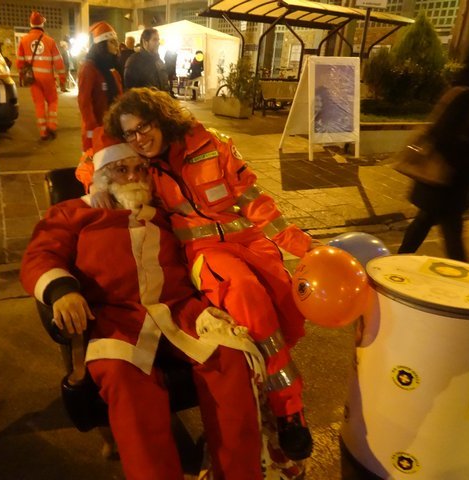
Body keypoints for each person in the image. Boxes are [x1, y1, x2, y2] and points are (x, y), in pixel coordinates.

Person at [21, 129, 264, 479]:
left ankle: (237, 472)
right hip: (116, 320)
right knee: (126, 381)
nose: (134, 177)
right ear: (102, 177)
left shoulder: (163, 212)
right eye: (122, 169)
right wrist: (62, 291)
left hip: (179, 311)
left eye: (140, 169)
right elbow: (39, 256)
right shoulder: (73, 213)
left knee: (230, 357)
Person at [101, 88, 315, 461]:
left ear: (160, 118)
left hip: (250, 242)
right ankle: (288, 410)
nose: (139, 138)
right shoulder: (139, 164)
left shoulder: (211, 144)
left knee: (287, 304)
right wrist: (97, 186)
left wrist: (305, 247)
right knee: (248, 296)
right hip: (206, 254)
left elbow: (254, 200)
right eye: (129, 133)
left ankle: (263, 386)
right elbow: (92, 160)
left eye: (143, 126)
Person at [398, 37, 469, 262]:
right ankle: (462, 282)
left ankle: (395, 263)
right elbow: (448, 138)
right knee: (452, 237)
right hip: (449, 181)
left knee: (425, 221)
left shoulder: (467, 89)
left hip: (445, 181)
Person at [16, 11, 67, 141]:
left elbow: (19, 62)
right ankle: (52, 126)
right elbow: (58, 62)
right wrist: (62, 79)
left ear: (30, 24)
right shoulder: (50, 41)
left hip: (33, 78)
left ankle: (43, 132)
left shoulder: (23, 40)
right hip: (48, 78)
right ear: (42, 24)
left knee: (39, 104)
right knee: (53, 101)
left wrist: (22, 76)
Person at [77, 22, 123, 152]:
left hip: (112, 128)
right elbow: (84, 102)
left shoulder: (112, 69)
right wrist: (93, 129)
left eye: (116, 42)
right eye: (112, 42)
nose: (116, 46)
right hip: (97, 130)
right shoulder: (89, 68)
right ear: (102, 45)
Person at [123, 28, 170, 92]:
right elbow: (131, 90)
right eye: (155, 40)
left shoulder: (159, 61)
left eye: (158, 40)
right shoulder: (134, 62)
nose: (158, 43)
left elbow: (165, 85)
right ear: (145, 42)